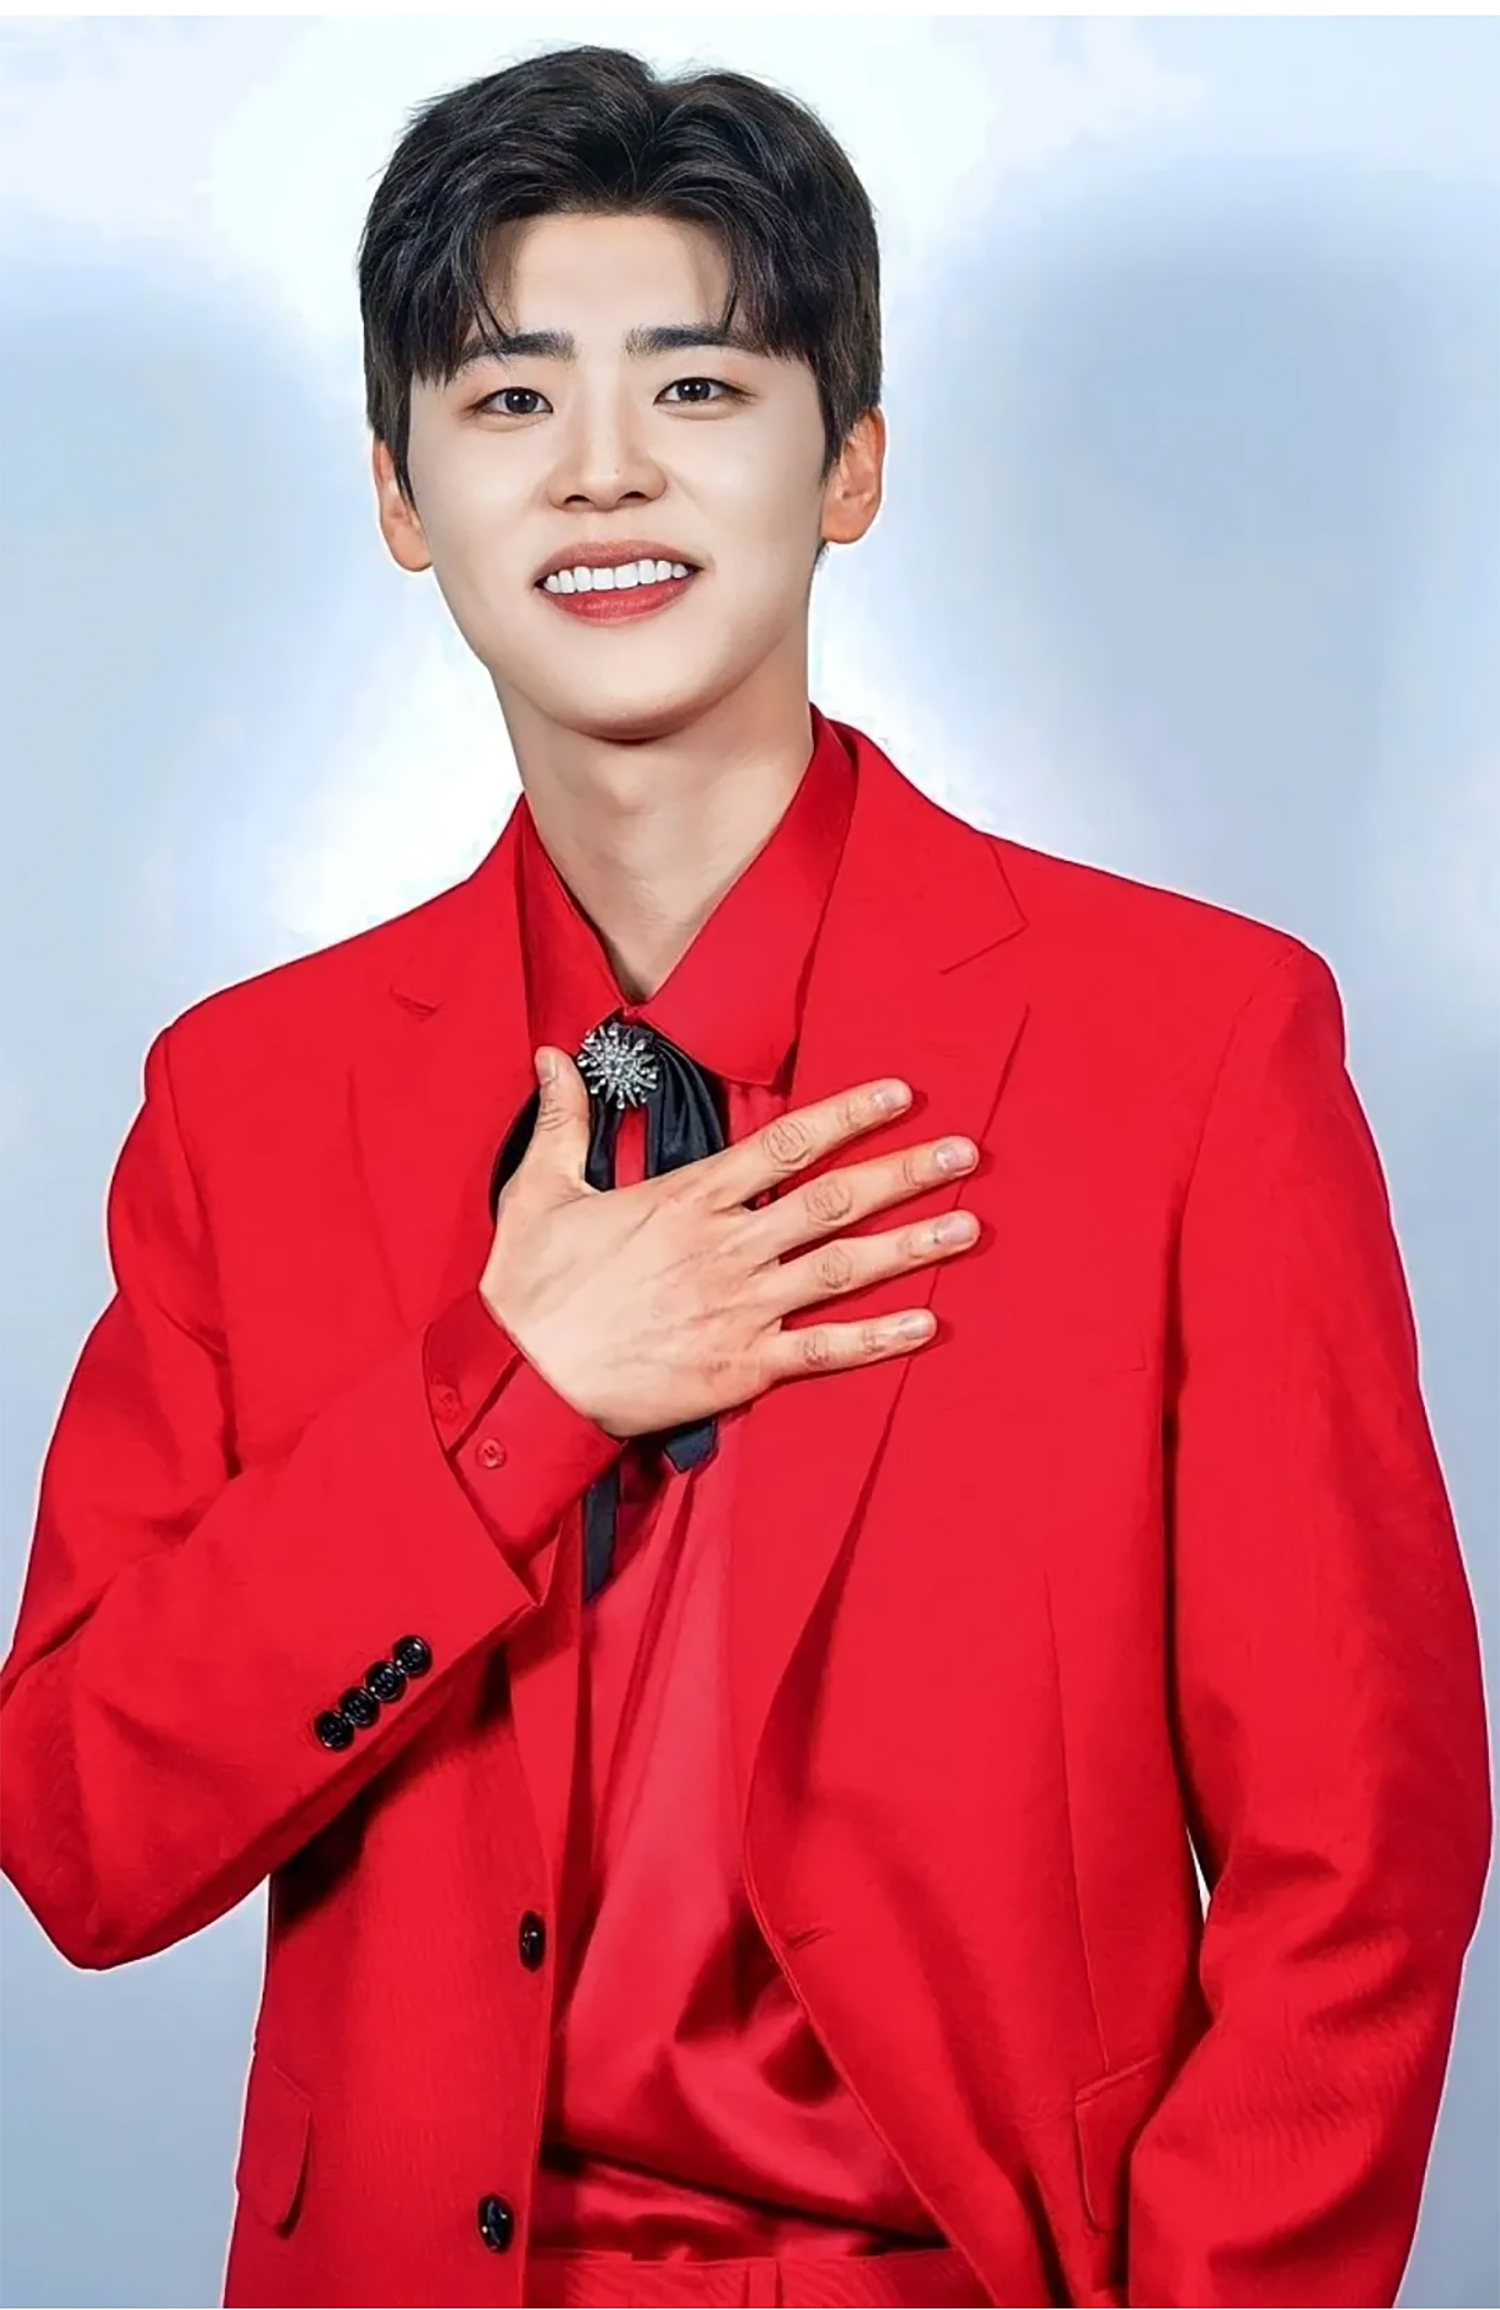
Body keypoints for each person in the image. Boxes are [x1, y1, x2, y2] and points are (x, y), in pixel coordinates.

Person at [0, 41, 1489, 2310]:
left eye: (697, 387)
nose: (603, 465)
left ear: (849, 460)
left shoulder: (1193, 1048)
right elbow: (84, 1835)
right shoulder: (246, 1097)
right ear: (401, 492)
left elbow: (1360, 1854)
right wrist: (512, 1395)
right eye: (509, 399)